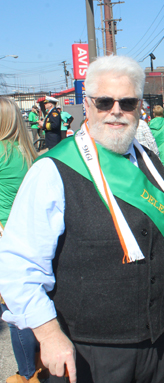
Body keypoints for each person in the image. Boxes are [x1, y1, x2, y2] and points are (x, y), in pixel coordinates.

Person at [0, 55, 164, 383]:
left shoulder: (149, 161)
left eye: (127, 102)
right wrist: (48, 335)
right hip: (89, 352)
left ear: (140, 107)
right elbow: (19, 265)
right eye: (104, 102)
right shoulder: (52, 171)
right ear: (87, 105)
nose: (116, 110)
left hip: (159, 345)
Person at [0, 98, 42, 383]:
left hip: (4, 235)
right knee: (31, 300)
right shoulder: (28, 153)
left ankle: (27, 373)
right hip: (29, 233)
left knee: (14, 309)